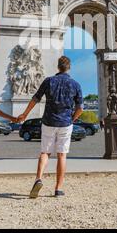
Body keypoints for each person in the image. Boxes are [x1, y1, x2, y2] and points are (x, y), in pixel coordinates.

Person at [18, 56, 83, 199]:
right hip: (65, 123)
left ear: (58, 67)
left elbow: (36, 98)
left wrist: (25, 113)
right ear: (69, 67)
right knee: (61, 155)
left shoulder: (49, 81)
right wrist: (72, 119)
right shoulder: (76, 84)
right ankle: (58, 189)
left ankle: (38, 179)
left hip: (48, 121)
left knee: (45, 153)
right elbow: (80, 108)